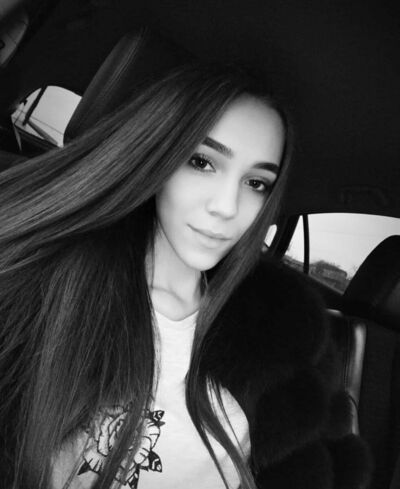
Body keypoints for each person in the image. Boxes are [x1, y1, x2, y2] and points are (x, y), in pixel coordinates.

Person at [0, 63, 370, 489]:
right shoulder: (42, 286)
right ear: (157, 154)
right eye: (202, 162)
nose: (227, 207)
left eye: (256, 183)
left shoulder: (285, 341)